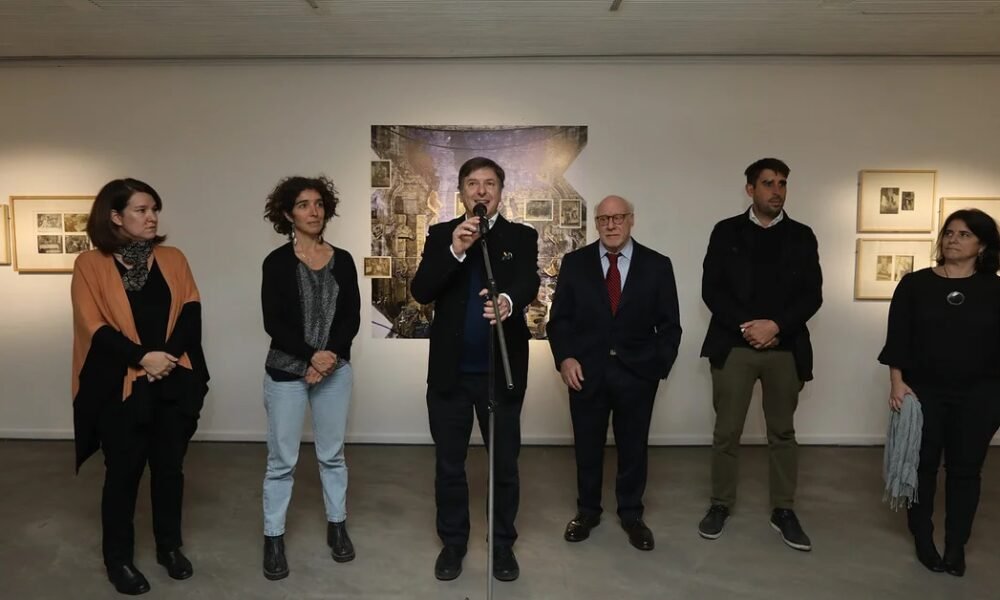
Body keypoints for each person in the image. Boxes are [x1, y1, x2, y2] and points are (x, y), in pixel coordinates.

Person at [71, 178, 209, 595]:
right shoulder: (90, 265)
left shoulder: (172, 258)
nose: (152, 218)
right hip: (121, 388)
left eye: (154, 210)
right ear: (115, 217)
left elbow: (191, 312)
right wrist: (142, 358)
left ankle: (169, 548)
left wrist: (163, 358)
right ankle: (119, 560)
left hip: (172, 381)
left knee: (169, 471)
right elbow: (92, 326)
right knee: (123, 475)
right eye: (142, 210)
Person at [410, 157, 540, 582]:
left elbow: (527, 282)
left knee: (503, 465)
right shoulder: (440, 235)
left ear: (501, 191)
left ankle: (502, 545)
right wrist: (454, 249)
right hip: (450, 374)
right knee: (449, 465)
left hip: (498, 371)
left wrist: (508, 302)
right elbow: (422, 289)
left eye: (489, 184)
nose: (481, 191)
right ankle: (453, 543)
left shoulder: (520, 236)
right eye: (472, 184)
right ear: (462, 192)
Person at [697, 158, 823, 551]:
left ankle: (783, 510)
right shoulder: (725, 231)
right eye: (768, 183)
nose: (777, 191)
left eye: (782, 183)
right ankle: (720, 504)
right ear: (750, 189)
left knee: (783, 432)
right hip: (734, 345)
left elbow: (812, 295)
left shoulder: (802, 236)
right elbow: (712, 290)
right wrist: (748, 326)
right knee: (726, 431)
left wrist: (775, 327)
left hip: (784, 348)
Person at [547, 195, 681, 551]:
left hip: (637, 374)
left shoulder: (657, 265)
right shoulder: (575, 264)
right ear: (596, 223)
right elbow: (559, 321)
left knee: (633, 447)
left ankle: (632, 514)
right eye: (603, 218)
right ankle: (587, 511)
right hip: (586, 372)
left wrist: (656, 367)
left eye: (618, 217)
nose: (610, 225)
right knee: (587, 447)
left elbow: (670, 327)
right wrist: (565, 359)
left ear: (631, 220)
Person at [878, 209, 1000, 577]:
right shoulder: (914, 284)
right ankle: (923, 538)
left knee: (965, 472)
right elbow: (898, 338)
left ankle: (956, 546)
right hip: (923, 392)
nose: (953, 240)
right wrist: (897, 382)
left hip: (981, 395)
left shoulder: (995, 289)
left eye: (964, 234)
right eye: (949, 233)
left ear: (982, 245)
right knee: (923, 468)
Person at [259, 175, 361, 580]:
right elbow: (274, 323)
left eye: (318, 203)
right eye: (303, 204)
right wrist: (310, 359)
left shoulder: (345, 259)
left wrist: (329, 357)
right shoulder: (276, 263)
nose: (313, 211)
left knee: (332, 455)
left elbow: (350, 316)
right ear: (287, 213)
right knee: (281, 460)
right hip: (286, 372)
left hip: (335, 370)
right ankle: (273, 537)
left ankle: (337, 527)